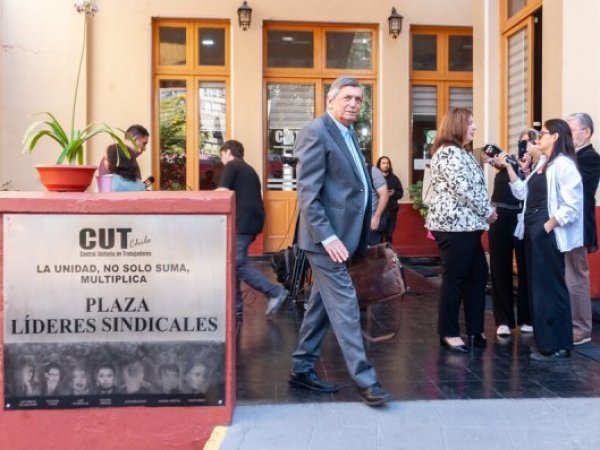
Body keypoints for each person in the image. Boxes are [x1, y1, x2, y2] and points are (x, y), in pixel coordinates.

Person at [290, 76, 391, 407]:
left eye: (358, 99)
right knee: (346, 305)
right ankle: (366, 380)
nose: (353, 103)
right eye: (347, 97)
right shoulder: (316, 132)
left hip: (347, 237)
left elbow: (356, 187)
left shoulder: (349, 134)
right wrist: (329, 236)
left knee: (321, 305)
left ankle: (302, 367)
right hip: (326, 240)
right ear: (330, 100)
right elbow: (308, 194)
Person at [495, 118, 583, 361]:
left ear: (555, 136)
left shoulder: (564, 165)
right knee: (538, 288)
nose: (538, 138)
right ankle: (547, 343)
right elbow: (522, 193)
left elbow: (572, 205)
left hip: (546, 231)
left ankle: (558, 345)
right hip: (532, 228)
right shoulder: (543, 163)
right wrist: (511, 168)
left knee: (550, 288)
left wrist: (548, 226)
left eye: (543, 133)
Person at [425, 107, 497, 353]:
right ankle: (448, 332)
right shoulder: (448, 153)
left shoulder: (461, 152)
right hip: (454, 227)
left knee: (478, 275)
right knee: (455, 278)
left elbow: (473, 187)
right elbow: (463, 189)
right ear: (457, 126)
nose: (474, 127)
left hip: (467, 226)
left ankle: (475, 330)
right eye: (470, 123)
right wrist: (487, 211)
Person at [216, 139, 287, 317]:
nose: (221, 159)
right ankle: (236, 307)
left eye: (222, 155)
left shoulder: (232, 166)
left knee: (236, 263)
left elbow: (223, 192)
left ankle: (274, 292)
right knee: (233, 263)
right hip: (253, 220)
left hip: (242, 222)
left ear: (228, 152)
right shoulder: (249, 169)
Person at [482, 130, 535, 337]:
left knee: (525, 267)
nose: (525, 146)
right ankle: (503, 320)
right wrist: (492, 160)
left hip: (523, 216)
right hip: (501, 215)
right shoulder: (510, 160)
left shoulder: (539, 166)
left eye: (530, 142)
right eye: (522, 142)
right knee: (499, 267)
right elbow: (498, 163)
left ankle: (526, 318)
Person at [566, 113, 600, 345]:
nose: (566, 137)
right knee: (569, 277)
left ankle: (581, 329)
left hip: (577, 227)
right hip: (567, 226)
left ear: (586, 132)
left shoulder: (590, 158)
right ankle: (571, 324)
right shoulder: (573, 157)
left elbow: (578, 189)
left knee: (577, 277)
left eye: (570, 131)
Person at [376, 156, 404, 243]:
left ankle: (388, 251)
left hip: (392, 211)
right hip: (379, 211)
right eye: (383, 163)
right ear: (379, 165)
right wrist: (380, 194)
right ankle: (379, 252)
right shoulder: (375, 178)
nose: (386, 165)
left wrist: (393, 193)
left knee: (389, 235)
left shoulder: (394, 178)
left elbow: (400, 193)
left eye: (387, 163)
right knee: (378, 236)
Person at [368, 164, 390, 245]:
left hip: (371, 221)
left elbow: (384, 195)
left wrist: (376, 217)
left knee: (372, 250)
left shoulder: (371, 171)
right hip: (353, 223)